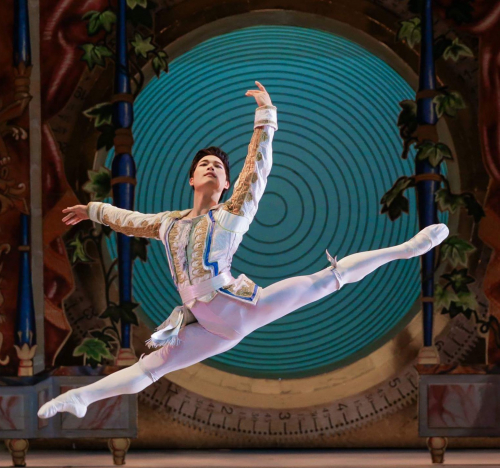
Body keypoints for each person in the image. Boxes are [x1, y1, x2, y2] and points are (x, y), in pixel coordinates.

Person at [38, 81, 449, 419]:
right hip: (207, 327)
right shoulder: (168, 223)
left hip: (242, 307)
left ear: (226, 185)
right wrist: (93, 209)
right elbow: (128, 221)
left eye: (219, 167)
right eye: (205, 165)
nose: (212, 167)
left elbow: (257, 168)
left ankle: (407, 249)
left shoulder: (232, 214)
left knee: (328, 279)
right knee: (150, 368)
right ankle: (81, 399)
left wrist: (265, 118)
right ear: (191, 180)